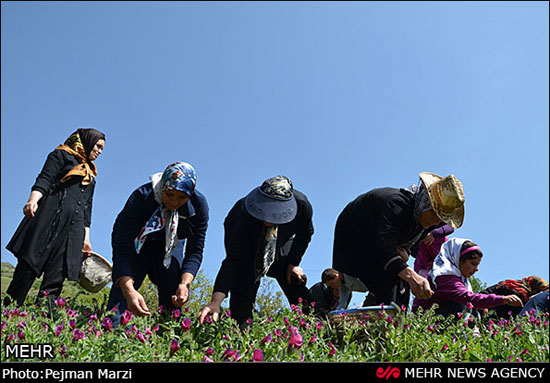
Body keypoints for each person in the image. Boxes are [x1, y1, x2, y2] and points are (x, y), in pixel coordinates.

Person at [332, 172, 466, 308]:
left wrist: (405, 256)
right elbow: (385, 248)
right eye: (434, 213)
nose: (436, 221)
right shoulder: (397, 204)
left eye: (441, 218)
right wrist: (412, 276)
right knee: (390, 280)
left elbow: (411, 249)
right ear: (426, 202)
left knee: (401, 283)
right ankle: (380, 320)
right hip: (355, 238)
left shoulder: (426, 221)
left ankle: (391, 321)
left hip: (379, 244)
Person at [5, 128, 106, 306]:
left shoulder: (91, 176)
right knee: (26, 271)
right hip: (48, 220)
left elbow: (87, 208)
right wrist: (32, 200)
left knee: (55, 281)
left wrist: (86, 238)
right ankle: (8, 316)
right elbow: (44, 178)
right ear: (87, 141)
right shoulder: (61, 155)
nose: (99, 151)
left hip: (72, 232)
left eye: (102, 149)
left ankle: (44, 325)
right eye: (97, 146)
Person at [198, 176, 313, 328]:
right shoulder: (243, 215)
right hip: (246, 244)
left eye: (274, 212)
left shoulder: (302, 206)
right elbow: (233, 261)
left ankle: (313, 324)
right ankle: (242, 334)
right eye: (266, 210)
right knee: (243, 283)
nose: (268, 217)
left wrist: (293, 263)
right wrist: (215, 301)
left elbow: (305, 234)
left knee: (293, 277)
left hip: (279, 243)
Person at [106, 162, 208, 327]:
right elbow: (122, 246)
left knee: (173, 287)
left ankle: (167, 337)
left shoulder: (198, 207)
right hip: (138, 246)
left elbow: (195, 251)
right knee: (122, 297)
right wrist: (128, 289)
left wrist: (185, 283)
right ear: (162, 188)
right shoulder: (141, 197)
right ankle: (113, 335)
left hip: (170, 246)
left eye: (182, 197)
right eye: (170, 195)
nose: (175, 202)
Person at [412, 238, 523, 316]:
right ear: (458, 260)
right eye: (473, 264)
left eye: (477, 265)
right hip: (426, 322)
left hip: (436, 319)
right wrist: (503, 299)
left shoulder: (457, 278)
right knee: (462, 304)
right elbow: (469, 298)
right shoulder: (446, 277)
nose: (476, 269)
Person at [480, 276, 548, 318]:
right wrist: (484, 306)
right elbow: (485, 293)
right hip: (489, 313)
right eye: (538, 290)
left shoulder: (528, 299)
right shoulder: (508, 285)